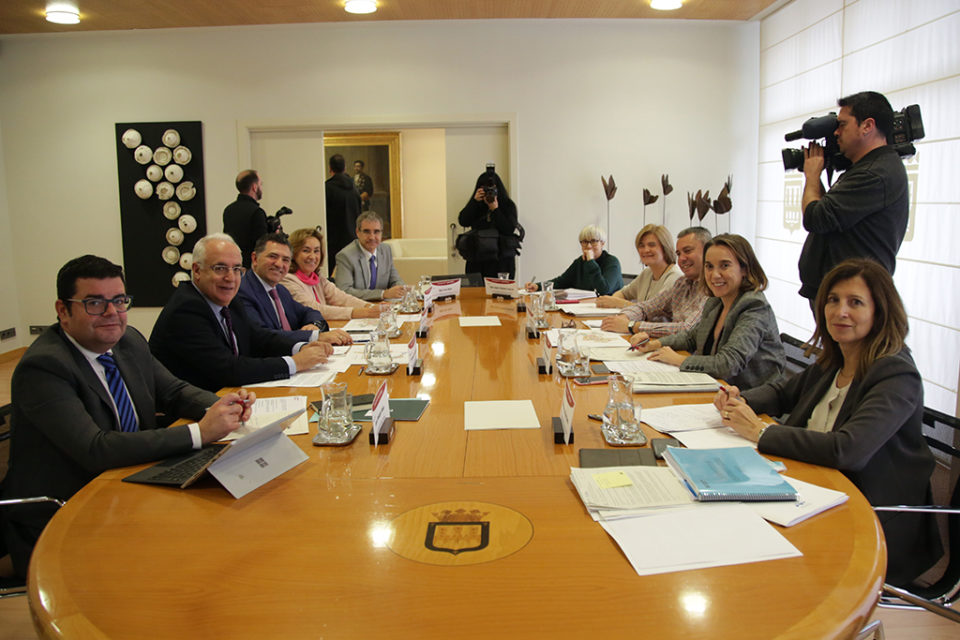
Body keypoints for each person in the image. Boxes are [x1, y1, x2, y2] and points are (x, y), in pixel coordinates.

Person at [2, 255, 252, 578]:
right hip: (68, 507)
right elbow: (95, 449)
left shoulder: (128, 340)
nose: (112, 313)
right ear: (63, 311)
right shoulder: (44, 367)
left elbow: (174, 391)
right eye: (95, 303)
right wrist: (200, 433)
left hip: (133, 482)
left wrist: (224, 404)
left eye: (119, 301)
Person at [714, 259, 939, 586]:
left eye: (855, 302)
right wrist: (740, 398)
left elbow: (847, 450)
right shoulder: (836, 359)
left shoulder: (896, 373)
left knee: (748, 562)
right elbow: (782, 392)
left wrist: (761, 431)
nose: (840, 311)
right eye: (833, 300)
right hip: (810, 491)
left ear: (881, 311)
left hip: (869, 516)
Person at [149, 233, 332, 392]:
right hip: (191, 414)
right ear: (197, 270)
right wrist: (296, 363)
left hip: (228, 397)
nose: (230, 278)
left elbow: (257, 337)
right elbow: (228, 369)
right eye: (220, 268)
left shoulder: (228, 299)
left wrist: (301, 347)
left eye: (236, 269)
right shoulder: (186, 309)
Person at [630, 233, 784, 390]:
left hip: (750, 400)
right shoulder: (716, 301)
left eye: (724, 265)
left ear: (744, 269)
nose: (715, 275)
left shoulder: (753, 306)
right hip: (715, 388)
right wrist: (653, 344)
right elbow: (691, 337)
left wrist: (679, 360)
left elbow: (728, 364)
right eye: (709, 266)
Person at [798, 91, 909, 306]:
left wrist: (812, 176)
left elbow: (814, 217)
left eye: (842, 125)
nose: (836, 133)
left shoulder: (874, 173)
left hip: (852, 300)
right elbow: (827, 215)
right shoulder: (867, 168)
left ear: (867, 126)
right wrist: (816, 176)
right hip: (841, 294)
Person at [237, 233, 351, 345]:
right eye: (273, 256)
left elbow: (310, 312)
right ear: (255, 258)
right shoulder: (243, 291)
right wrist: (314, 336)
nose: (279, 264)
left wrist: (314, 326)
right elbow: (263, 336)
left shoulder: (280, 290)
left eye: (285, 259)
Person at [600, 226, 711, 338]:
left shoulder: (712, 288)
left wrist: (632, 325)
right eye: (679, 254)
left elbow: (687, 329)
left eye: (687, 251)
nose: (681, 258)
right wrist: (624, 316)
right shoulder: (681, 283)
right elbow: (647, 307)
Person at [281, 227, 381, 320]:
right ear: (293, 253)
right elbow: (314, 309)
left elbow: (341, 297)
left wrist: (371, 307)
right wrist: (357, 312)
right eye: (306, 251)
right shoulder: (287, 280)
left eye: (316, 251)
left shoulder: (317, 277)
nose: (312, 256)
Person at [596, 223, 682, 308]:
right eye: (641, 246)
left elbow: (654, 311)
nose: (646, 250)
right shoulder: (647, 273)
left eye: (652, 245)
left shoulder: (675, 277)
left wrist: (620, 303)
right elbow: (622, 293)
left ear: (665, 247)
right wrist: (613, 301)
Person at [457, 167, 520, 279]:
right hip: (477, 261)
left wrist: (495, 209)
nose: (488, 192)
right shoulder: (476, 205)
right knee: (476, 295)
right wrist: (474, 202)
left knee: (502, 294)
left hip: (502, 261)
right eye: (484, 188)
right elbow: (463, 221)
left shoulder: (507, 205)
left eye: (492, 188)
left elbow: (509, 229)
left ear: (498, 188)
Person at [526, 224, 622, 296]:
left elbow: (604, 290)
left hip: (608, 312)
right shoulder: (579, 262)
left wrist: (590, 262)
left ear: (602, 243)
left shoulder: (612, 262)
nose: (588, 246)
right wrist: (538, 286)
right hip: (585, 308)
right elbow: (561, 281)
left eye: (593, 241)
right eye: (585, 242)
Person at [334, 212, 405, 301]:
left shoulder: (386, 250)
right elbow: (344, 291)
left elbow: (395, 280)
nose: (372, 237)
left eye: (376, 232)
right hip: (357, 308)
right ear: (357, 232)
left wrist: (401, 289)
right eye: (367, 232)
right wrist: (383, 294)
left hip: (382, 307)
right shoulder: (345, 256)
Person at [325, 153, 362, 276]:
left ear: (330, 169)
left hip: (333, 239)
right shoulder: (354, 190)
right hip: (352, 238)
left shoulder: (327, 188)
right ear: (345, 168)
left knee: (331, 275)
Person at [223, 169, 268, 269]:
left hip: (234, 265)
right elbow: (262, 246)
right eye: (261, 184)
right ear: (254, 187)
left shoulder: (228, 210)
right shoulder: (257, 212)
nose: (261, 187)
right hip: (251, 269)